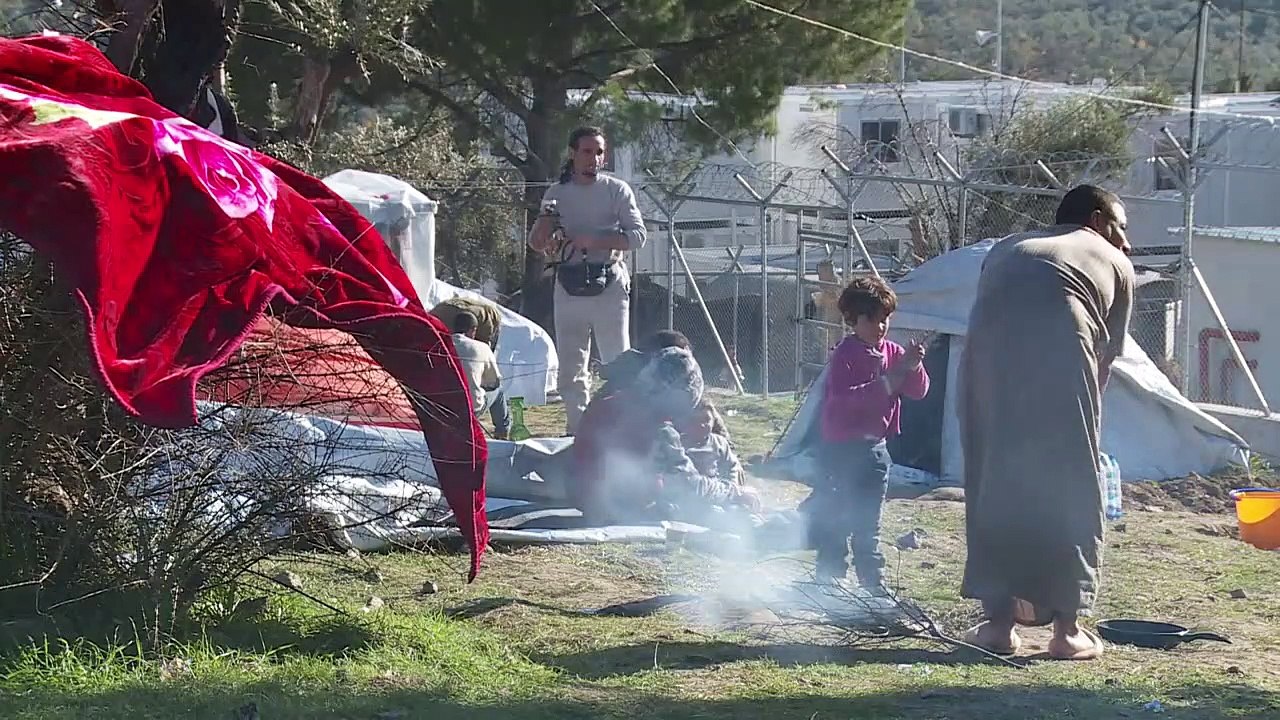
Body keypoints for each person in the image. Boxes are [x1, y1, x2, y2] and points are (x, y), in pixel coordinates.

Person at [958, 184, 1134, 661]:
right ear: (1097, 221)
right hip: (1061, 352)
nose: (1127, 242)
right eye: (1122, 227)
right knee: (1070, 482)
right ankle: (1067, 632)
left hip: (981, 364)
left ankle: (997, 625)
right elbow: (1104, 361)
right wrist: (1076, 434)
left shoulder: (1006, 246)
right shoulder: (1114, 260)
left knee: (994, 477)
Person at [806, 276, 929, 593]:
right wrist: (888, 381)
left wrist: (912, 367)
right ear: (854, 320)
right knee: (837, 516)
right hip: (840, 450)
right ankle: (830, 577)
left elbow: (918, 391)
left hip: (875, 451)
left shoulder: (893, 352)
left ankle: (872, 583)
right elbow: (844, 402)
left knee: (868, 522)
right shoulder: (845, 354)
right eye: (873, 320)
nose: (881, 327)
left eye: (885, 319)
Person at [527, 126, 647, 436]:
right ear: (573, 153)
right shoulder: (556, 193)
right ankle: (577, 430)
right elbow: (536, 243)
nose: (593, 158)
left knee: (617, 359)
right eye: (586, 151)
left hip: (608, 284)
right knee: (571, 366)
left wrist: (593, 240)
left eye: (599, 152)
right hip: (568, 284)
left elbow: (638, 236)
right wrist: (546, 231)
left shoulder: (616, 190)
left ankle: (619, 429)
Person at [570, 346, 759, 526]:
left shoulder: (606, 401)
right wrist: (733, 491)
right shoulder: (660, 430)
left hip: (586, 500)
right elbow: (691, 487)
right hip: (616, 510)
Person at [449, 311, 510, 440]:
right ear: (473, 330)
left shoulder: (441, 344)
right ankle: (502, 433)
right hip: (470, 408)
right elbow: (495, 381)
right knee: (498, 392)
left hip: (443, 408)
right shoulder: (481, 347)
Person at [679, 399, 746, 488]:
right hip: (694, 489)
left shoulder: (719, 442)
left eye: (706, 420)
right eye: (696, 420)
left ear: (714, 421)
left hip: (720, 489)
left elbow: (731, 467)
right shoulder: (680, 445)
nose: (702, 424)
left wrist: (732, 487)